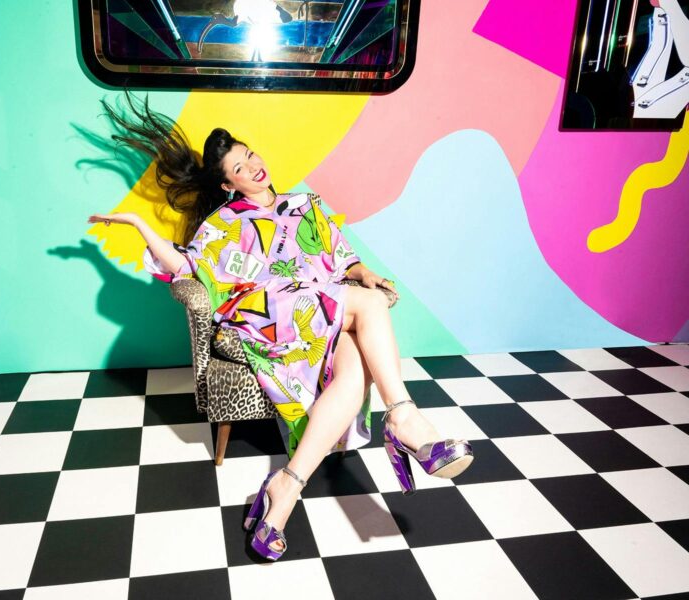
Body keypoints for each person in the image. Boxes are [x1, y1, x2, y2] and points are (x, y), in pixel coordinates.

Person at [87, 92, 474, 562]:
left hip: (325, 308)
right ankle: (403, 417)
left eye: (251, 156)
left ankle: (285, 488)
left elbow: (340, 258)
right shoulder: (223, 223)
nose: (253, 167)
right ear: (228, 185)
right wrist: (136, 223)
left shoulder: (305, 204)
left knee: (355, 371)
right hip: (272, 313)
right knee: (370, 306)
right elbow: (185, 266)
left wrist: (363, 272)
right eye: (239, 168)